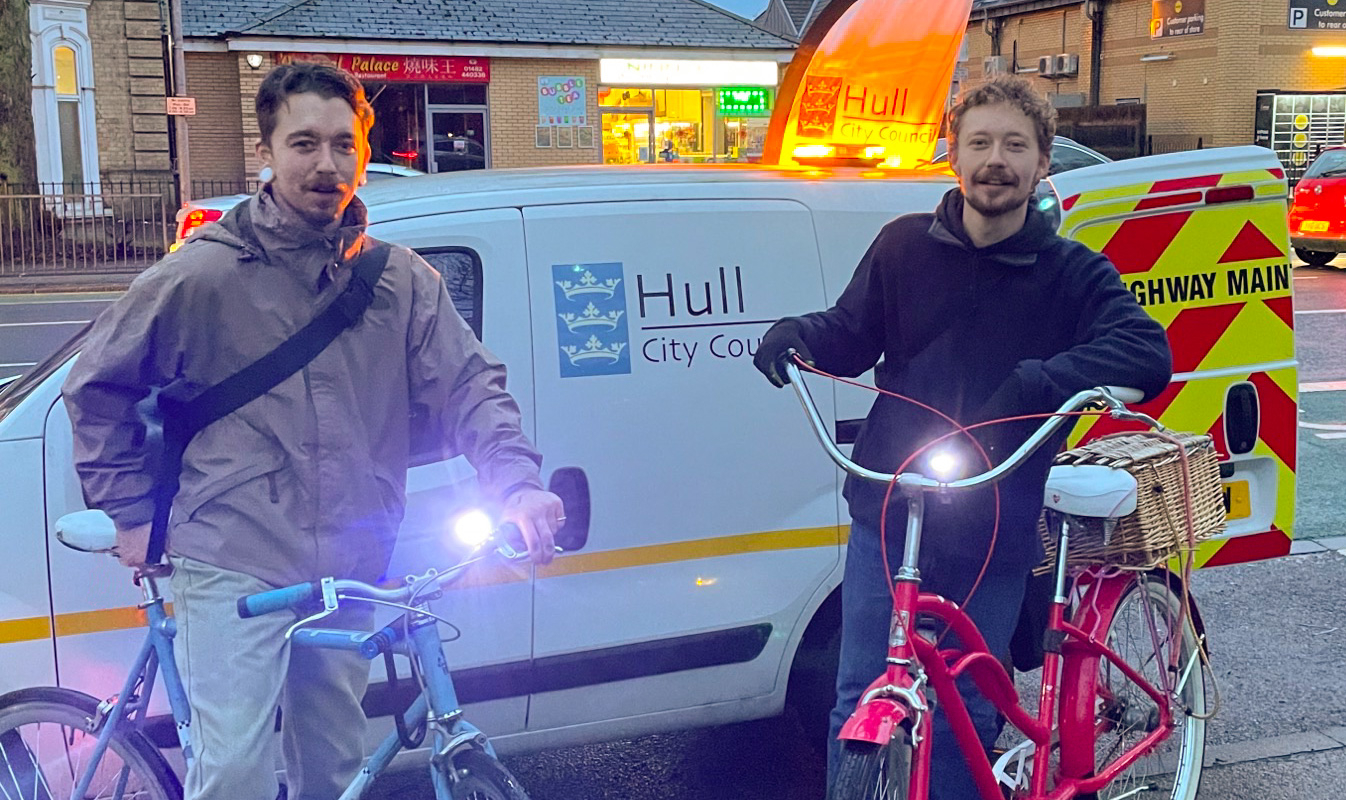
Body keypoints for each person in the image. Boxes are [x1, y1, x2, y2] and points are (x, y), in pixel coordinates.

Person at [62, 63, 564, 800]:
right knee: (234, 772)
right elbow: (95, 385)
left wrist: (517, 484)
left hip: (351, 562)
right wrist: (132, 515)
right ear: (266, 151)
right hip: (234, 553)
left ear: (364, 151)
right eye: (303, 143)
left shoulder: (402, 283)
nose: (326, 165)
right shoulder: (204, 276)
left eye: (342, 144)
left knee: (334, 771)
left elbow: (470, 386)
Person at [753, 75, 1173, 800]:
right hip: (889, 503)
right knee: (860, 692)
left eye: (1015, 144)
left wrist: (1044, 379)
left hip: (993, 513)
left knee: (962, 712)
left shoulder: (1071, 272)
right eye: (979, 143)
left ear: (1043, 161)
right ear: (953, 157)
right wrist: (799, 337)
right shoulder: (902, 247)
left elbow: (1146, 352)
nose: (995, 160)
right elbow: (850, 334)